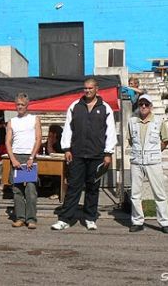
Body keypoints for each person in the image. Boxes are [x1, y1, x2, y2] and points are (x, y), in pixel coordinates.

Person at [51, 78, 117, 231]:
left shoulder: (105, 108)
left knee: (93, 187)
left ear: (97, 89)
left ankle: (90, 218)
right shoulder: (75, 106)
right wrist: (66, 148)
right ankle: (65, 219)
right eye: (85, 88)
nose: (87, 91)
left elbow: (110, 132)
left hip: (97, 154)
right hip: (77, 154)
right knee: (73, 186)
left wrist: (108, 153)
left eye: (90, 88)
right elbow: (68, 128)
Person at [128, 94, 168, 234]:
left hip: (153, 162)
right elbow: (130, 140)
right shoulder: (132, 121)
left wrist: (154, 152)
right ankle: (137, 221)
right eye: (141, 104)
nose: (144, 107)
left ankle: (164, 222)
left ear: (151, 106)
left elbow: (165, 140)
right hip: (136, 161)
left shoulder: (159, 121)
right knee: (135, 194)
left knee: (159, 193)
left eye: (146, 104)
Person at [6, 93, 42, 229]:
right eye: (18, 105)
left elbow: (38, 139)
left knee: (31, 189)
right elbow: (8, 142)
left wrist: (32, 157)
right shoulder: (12, 122)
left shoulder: (34, 119)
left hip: (29, 156)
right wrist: (13, 159)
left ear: (27, 106)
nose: (19, 107)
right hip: (16, 155)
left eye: (22, 105)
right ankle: (20, 217)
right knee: (17, 190)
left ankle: (31, 218)